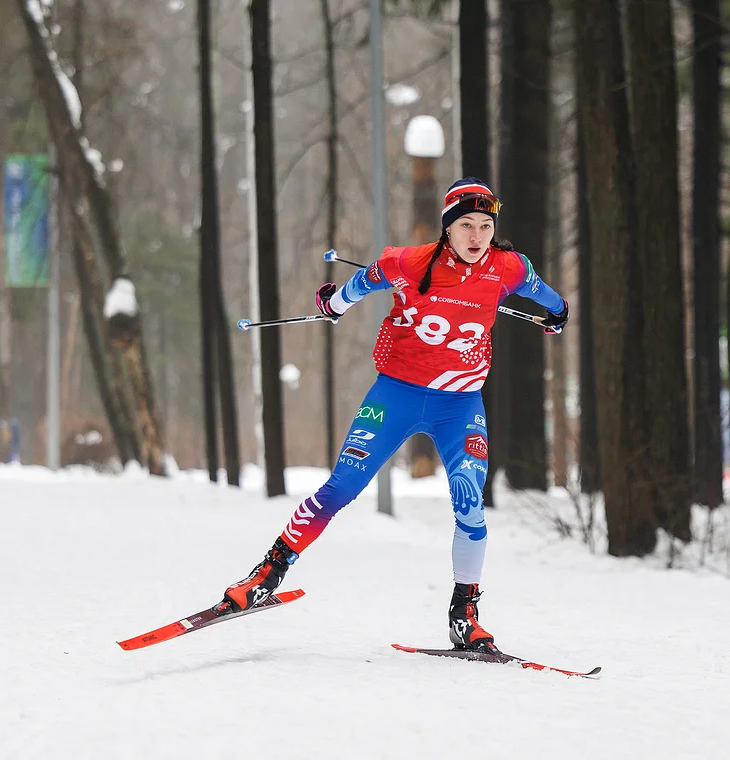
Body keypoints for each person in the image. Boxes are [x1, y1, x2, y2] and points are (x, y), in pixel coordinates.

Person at [217, 178, 569, 653]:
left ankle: (464, 614)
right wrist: (332, 305)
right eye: (465, 225)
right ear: (448, 228)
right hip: (396, 395)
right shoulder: (407, 262)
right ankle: (267, 573)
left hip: (460, 405)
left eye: (485, 226)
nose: (476, 236)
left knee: (470, 503)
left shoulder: (508, 269)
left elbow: (548, 297)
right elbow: (359, 285)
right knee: (341, 487)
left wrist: (558, 313)